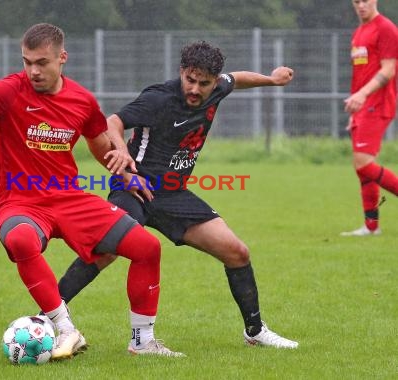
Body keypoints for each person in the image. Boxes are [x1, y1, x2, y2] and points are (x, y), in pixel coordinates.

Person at [0, 23, 183, 358]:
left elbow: (100, 145)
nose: (33, 70)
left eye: (41, 62)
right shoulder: (7, 91)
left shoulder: (82, 101)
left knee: (146, 247)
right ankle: (66, 329)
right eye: (27, 61)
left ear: (62, 58)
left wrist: (125, 170)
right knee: (20, 240)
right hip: (20, 200)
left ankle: (142, 341)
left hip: (69, 198)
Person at [56, 40, 299, 349]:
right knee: (107, 250)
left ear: (214, 81)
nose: (195, 89)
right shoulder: (159, 99)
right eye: (190, 80)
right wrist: (121, 155)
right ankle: (48, 316)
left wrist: (272, 79)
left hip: (173, 194)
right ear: (182, 72)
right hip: (136, 188)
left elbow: (237, 79)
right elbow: (113, 122)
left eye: (204, 83)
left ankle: (255, 331)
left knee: (237, 252)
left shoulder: (219, 87)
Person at [341, 0, 398, 236]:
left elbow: (388, 70)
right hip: (363, 107)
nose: (361, 5)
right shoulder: (359, 32)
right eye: (356, 1)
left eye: (365, 0)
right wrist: (356, 106)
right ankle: (371, 226)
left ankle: (371, 226)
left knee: (364, 163)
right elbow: (361, 74)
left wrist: (363, 95)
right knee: (362, 168)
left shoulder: (386, 28)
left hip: (377, 104)